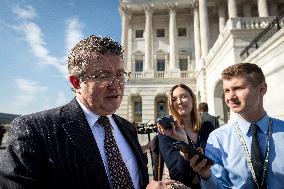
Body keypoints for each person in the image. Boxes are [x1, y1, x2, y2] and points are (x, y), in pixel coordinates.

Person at [0, 35, 149, 188]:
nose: (116, 85)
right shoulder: (34, 130)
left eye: (120, 75)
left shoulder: (128, 128)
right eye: (103, 76)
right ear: (76, 82)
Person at [189, 63, 284, 188]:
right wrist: (206, 176)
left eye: (238, 88)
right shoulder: (218, 138)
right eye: (226, 90)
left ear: (262, 89)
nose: (230, 97)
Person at [158, 84, 214, 189]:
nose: (179, 102)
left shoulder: (207, 127)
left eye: (183, 96)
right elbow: (178, 176)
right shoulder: (167, 133)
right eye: (174, 99)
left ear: (192, 99)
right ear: (171, 104)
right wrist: (183, 144)